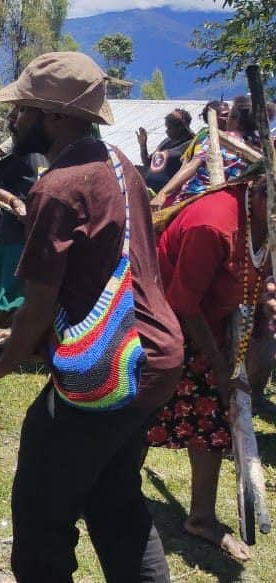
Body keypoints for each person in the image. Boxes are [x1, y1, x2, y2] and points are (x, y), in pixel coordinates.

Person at [0, 52, 182, 583]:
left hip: (110, 365)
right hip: (153, 354)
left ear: (55, 117)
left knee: (40, 513)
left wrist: (4, 360)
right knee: (112, 497)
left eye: (24, 110)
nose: (15, 121)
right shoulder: (119, 167)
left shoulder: (58, 188)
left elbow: (40, 301)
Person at [147, 178, 271, 562]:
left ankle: (200, 517)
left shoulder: (263, 222)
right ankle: (110, 491)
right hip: (159, 323)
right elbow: (183, 301)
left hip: (207, 325)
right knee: (138, 412)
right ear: (266, 189)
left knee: (212, 420)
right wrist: (220, 365)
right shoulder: (214, 223)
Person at [0, 139, 46, 337]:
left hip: (44, 232)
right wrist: (15, 202)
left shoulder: (60, 155)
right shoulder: (24, 152)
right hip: (16, 232)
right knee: (12, 289)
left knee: (34, 290)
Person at [155, 95, 257, 208]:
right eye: (224, 115)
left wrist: (163, 193)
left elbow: (192, 165)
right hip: (237, 200)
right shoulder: (260, 145)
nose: (227, 119)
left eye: (229, 116)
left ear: (235, 120)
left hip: (197, 196)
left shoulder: (216, 138)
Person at [137, 109, 193, 192]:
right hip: (150, 190)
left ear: (181, 127)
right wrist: (143, 145)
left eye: (169, 128)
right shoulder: (166, 141)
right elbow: (147, 163)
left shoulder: (191, 143)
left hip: (169, 194)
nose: (166, 131)